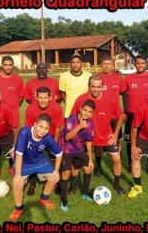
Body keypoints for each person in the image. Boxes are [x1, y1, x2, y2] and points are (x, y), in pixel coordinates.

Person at [71, 75, 125, 194]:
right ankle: (74, 185)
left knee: (116, 158)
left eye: (98, 87)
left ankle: (117, 184)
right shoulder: (81, 99)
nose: (96, 89)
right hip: (85, 138)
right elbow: (73, 117)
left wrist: (115, 135)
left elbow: (121, 116)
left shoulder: (110, 99)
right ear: (89, 87)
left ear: (102, 87)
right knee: (76, 160)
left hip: (105, 135)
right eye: (93, 86)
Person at [10, 114, 62, 222]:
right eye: (40, 126)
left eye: (46, 128)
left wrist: (56, 170)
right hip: (24, 161)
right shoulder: (24, 133)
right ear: (35, 124)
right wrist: (18, 175)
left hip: (38, 160)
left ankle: (44, 198)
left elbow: (59, 153)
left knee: (55, 177)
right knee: (17, 182)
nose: (43, 130)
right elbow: (19, 155)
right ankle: (18, 208)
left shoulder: (48, 138)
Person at [59, 53, 91, 193]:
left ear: (81, 64)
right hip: (69, 116)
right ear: (70, 64)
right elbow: (62, 93)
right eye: (73, 62)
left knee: (86, 144)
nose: (75, 64)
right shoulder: (64, 76)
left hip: (85, 115)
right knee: (71, 147)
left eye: (78, 62)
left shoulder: (88, 75)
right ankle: (73, 181)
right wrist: (70, 104)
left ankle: (90, 167)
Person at [24, 86, 64, 195]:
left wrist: (54, 143)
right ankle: (33, 184)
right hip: (36, 137)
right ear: (36, 97)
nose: (43, 100)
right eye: (40, 98)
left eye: (45, 98)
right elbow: (29, 129)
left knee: (55, 157)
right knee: (30, 157)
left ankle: (55, 182)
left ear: (50, 97)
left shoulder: (56, 108)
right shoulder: (30, 109)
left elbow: (58, 127)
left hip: (50, 137)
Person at [0, 55, 23, 177]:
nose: (8, 67)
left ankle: (11, 165)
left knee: (13, 140)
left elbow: (21, 97)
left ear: (12, 65)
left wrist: (12, 109)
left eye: (10, 65)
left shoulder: (18, 80)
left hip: (12, 114)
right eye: (5, 64)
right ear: (2, 65)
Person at [59, 99, 95, 211]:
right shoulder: (71, 119)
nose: (86, 113)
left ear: (92, 114)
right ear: (80, 109)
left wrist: (90, 159)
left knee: (88, 168)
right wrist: (79, 126)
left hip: (78, 149)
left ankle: (85, 193)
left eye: (89, 112)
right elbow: (67, 137)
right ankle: (64, 202)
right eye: (85, 110)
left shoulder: (90, 124)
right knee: (66, 173)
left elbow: (89, 141)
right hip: (66, 149)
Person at [124, 55, 148, 173]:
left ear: (146, 64)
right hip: (132, 114)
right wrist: (125, 111)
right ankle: (130, 162)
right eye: (138, 63)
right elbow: (123, 94)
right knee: (130, 140)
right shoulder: (128, 78)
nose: (140, 65)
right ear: (135, 65)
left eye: (143, 63)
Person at [95, 57, 127, 177]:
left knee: (117, 139)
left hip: (115, 115)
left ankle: (117, 160)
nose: (106, 66)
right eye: (104, 64)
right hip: (100, 116)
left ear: (113, 65)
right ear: (101, 65)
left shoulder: (118, 78)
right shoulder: (97, 77)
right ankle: (98, 166)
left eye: (109, 64)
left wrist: (126, 111)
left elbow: (124, 93)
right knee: (98, 143)